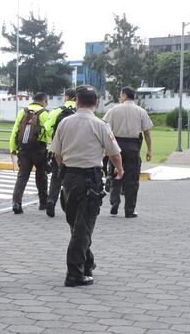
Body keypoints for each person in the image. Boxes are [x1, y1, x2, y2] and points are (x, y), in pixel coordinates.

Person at [52, 85, 123, 287]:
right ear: (96, 103)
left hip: (69, 177)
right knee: (82, 228)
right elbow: (114, 153)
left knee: (76, 223)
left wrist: (65, 169)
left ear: (77, 102)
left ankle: (87, 263)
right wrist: (120, 170)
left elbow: (57, 154)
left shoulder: (65, 123)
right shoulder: (100, 125)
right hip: (89, 179)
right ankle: (74, 273)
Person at [103, 86, 153, 218]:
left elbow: (104, 128)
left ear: (124, 96)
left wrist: (104, 149)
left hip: (116, 146)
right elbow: (147, 132)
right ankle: (129, 210)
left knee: (115, 174)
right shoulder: (141, 111)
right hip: (133, 146)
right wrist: (149, 150)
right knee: (132, 180)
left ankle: (114, 202)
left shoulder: (113, 110)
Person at [9, 92, 50, 214]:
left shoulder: (23, 112)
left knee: (22, 176)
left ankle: (16, 203)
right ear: (44, 101)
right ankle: (43, 202)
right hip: (39, 149)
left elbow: (15, 130)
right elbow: (49, 133)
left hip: (23, 149)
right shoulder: (44, 113)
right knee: (41, 175)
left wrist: (13, 149)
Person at [44, 88, 77, 218]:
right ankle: (70, 204)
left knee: (56, 176)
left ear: (66, 97)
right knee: (73, 177)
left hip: (59, 149)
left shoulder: (58, 110)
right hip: (75, 150)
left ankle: (51, 200)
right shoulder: (81, 110)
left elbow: (47, 127)